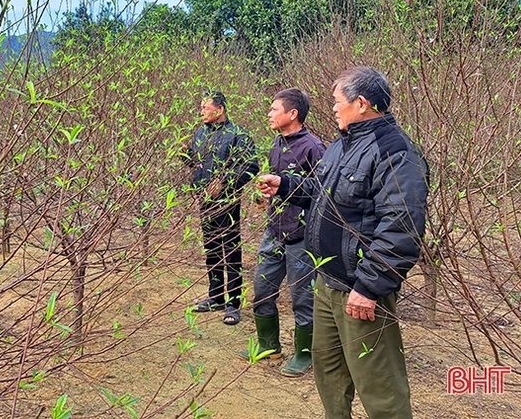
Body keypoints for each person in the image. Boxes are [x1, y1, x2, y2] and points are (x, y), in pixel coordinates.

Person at [257, 67, 428, 418]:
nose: (333, 108)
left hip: (359, 292)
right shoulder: (340, 145)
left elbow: (402, 227)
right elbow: (325, 195)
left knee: (380, 389)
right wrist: (286, 186)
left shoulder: (394, 151)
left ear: (361, 103)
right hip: (328, 283)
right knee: (330, 376)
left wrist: (369, 286)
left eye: (337, 102)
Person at [241, 88, 325, 377]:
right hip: (274, 231)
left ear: (293, 114)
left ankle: (304, 354)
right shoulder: (277, 144)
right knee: (262, 290)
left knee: (303, 297)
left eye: (274, 109)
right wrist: (263, 195)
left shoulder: (314, 147)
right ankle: (269, 344)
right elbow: (277, 185)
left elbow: (323, 194)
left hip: (301, 236)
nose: (269, 114)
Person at [183, 90, 259, 326]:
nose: (201, 112)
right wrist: (184, 155)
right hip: (204, 202)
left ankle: (233, 303)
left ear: (220, 109)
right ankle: (215, 296)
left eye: (205, 107)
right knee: (212, 249)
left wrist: (225, 182)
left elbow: (251, 166)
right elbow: (195, 161)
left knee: (230, 252)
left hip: (227, 203)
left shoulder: (237, 135)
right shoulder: (200, 133)